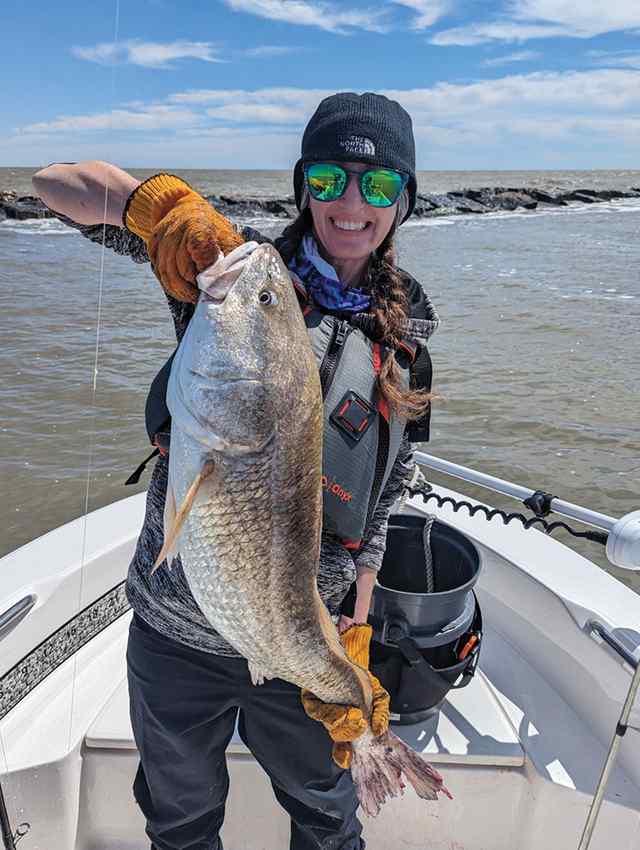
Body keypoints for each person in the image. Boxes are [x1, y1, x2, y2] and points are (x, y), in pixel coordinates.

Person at [33, 91, 440, 850]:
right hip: (176, 640)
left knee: (328, 821)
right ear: (302, 187)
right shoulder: (226, 274)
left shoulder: (406, 338)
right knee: (180, 822)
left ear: (404, 202)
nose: (351, 203)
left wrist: (347, 638)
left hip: (301, 644)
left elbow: (380, 504)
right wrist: (154, 207)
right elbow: (51, 185)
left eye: (378, 184)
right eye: (328, 180)